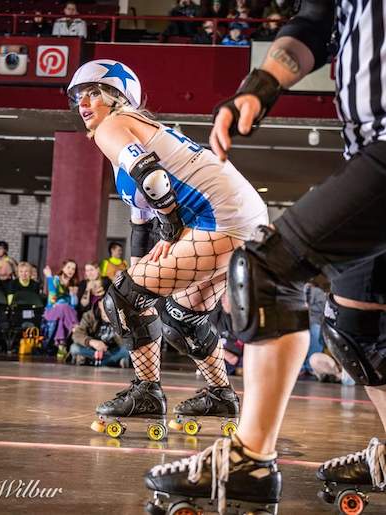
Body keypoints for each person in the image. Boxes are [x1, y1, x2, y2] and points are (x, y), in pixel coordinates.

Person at [145, 1, 386, 512]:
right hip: (365, 149)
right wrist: (261, 87)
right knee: (359, 330)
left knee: (266, 269)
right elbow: (316, 24)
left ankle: (250, 459)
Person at [67, 59, 267, 431]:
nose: (84, 102)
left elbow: (152, 177)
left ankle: (146, 391)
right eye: (79, 95)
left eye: (94, 92)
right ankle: (220, 395)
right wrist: (144, 272)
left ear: (117, 98)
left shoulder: (114, 125)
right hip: (238, 215)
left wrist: (170, 230)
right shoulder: (134, 130)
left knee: (122, 298)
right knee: (181, 318)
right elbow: (140, 231)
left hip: (220, 216)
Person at [69, 299, 130, 367]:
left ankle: (96, 363)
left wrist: (115, 324)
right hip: (93, 351)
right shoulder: (89, 316)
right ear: (99, 304)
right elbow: (77, 334)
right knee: (74, 348)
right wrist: (91, 342)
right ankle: (107, 363)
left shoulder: (119, 317)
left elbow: (124, 342)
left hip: (111, 351)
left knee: (126, 351)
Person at [43, 260, 79, 358]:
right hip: (52, 311)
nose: (71, 270)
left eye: (73, 269)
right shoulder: (55, 279)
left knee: (62, 317)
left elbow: (73, 306)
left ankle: (61, 346)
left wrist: (73, 295)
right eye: (68, 267)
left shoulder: (73, 285)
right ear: (63, 268)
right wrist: (49, 277)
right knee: (62, 306)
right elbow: (52, 297)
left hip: (65, 314)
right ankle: (76, 328)